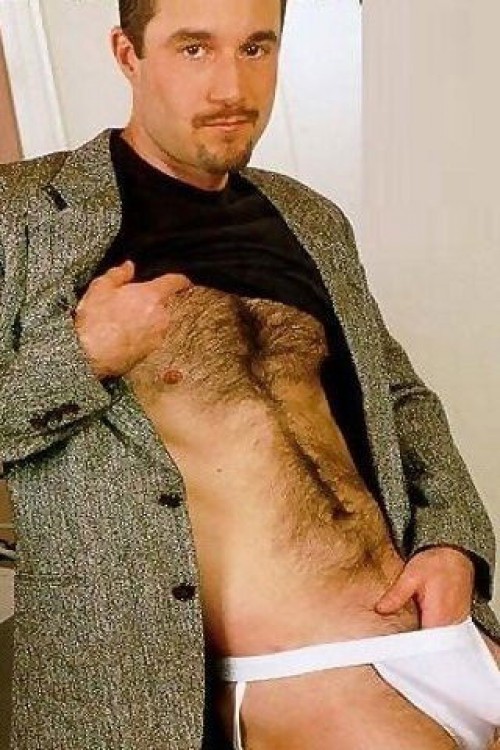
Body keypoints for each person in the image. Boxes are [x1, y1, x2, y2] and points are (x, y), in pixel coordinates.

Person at [0, 0, 498, 748]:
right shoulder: (20, 216)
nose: (232, 87)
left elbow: (399, 396)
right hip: (265, 671)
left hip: (425, 625)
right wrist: (85, 355)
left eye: (256, 48)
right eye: (194, 49)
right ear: (128, 54)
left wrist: (453, 540)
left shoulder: (308, 216)